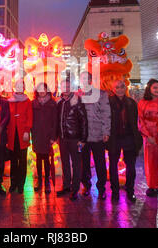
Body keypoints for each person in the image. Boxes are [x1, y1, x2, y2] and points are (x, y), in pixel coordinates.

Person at [108, 80, 143, 202]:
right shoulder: (108, 102)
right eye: (117, 87)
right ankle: (115, 191)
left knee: (131, 166)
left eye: (122, 87)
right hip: (114, 138)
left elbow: (136, 121)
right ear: (113, 89)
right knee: (113, 166)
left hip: (129, 137)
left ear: (125, 88)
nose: (120, 89)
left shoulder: (131, 103)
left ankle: (130, 190)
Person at [79, 72, 110, 200]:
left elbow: (106, 114)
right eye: (83, 79)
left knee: (100, 163)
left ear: (91, 80)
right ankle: (86, 185)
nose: (85, 81)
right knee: (84, 163)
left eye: (87, 78)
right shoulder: (77, 96)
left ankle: (101, 188)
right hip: (83, 136)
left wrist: (106, 131)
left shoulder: (101, 94)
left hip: (98, 135)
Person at [56, 79, 88, 201]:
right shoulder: (59, 102)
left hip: (75, 139)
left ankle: (75, 189)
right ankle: (66, 186)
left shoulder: (77, 101)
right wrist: (56, 136)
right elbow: (56, 120)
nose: (66, 88)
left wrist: (83, 139)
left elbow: (84, 121)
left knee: (76, 164)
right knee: (65, 163)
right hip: (63, 138)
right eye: (64, 86)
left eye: (68, 86)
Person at [7, 79, 33, 194]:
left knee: (22, 160)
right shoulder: (10, 101)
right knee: (13, 160)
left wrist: (27, 130)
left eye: (21, 86)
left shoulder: (27, 101)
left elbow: (30, 117)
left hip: (23, 135)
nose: (19, 88)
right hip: (12, 135)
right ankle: (13, 183)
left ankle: (21, 184)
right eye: (17, 85)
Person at [32, 83, 57, 194]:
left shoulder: (52, 103)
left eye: (44, 89)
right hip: (37, 135)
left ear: (47, 90)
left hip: (47, 135)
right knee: (38, 158)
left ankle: (47, 181)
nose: (42, 91)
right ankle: (39, 181)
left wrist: (53, 137)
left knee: (47, 159)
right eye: (40, 89)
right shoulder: (33, 103)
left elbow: (55, 122)